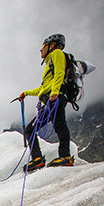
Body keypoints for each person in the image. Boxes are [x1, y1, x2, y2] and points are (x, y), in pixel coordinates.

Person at [18, 33, 73, 172]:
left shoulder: (57, 54)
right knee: (59, 125)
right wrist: (26, 93)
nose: (41, 50)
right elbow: (42, 88)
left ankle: (41, 158)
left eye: (43, 46)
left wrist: (54, 93)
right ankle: (63, 156)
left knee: (31, 129)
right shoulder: (50, 62)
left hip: (55, 98)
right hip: (53, 98)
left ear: (52, 46)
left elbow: (60, 74)